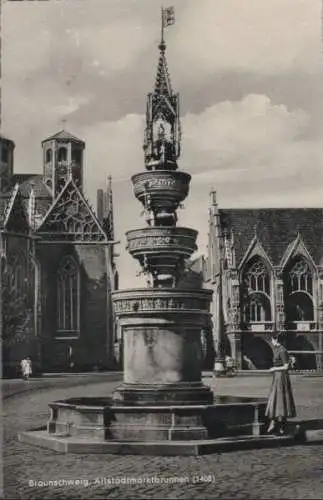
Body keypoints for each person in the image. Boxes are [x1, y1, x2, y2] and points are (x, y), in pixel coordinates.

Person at [266, 334, 296, 435]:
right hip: (277, 377)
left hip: (281, 377)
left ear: (276, 339)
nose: (272, 342)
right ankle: (275, 422)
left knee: (281, 399)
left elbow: (286, 366)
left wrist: (274, 369)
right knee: (275, 398)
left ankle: (280, 424)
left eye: (272, 340)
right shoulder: (277, 350)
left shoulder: (282, 350)